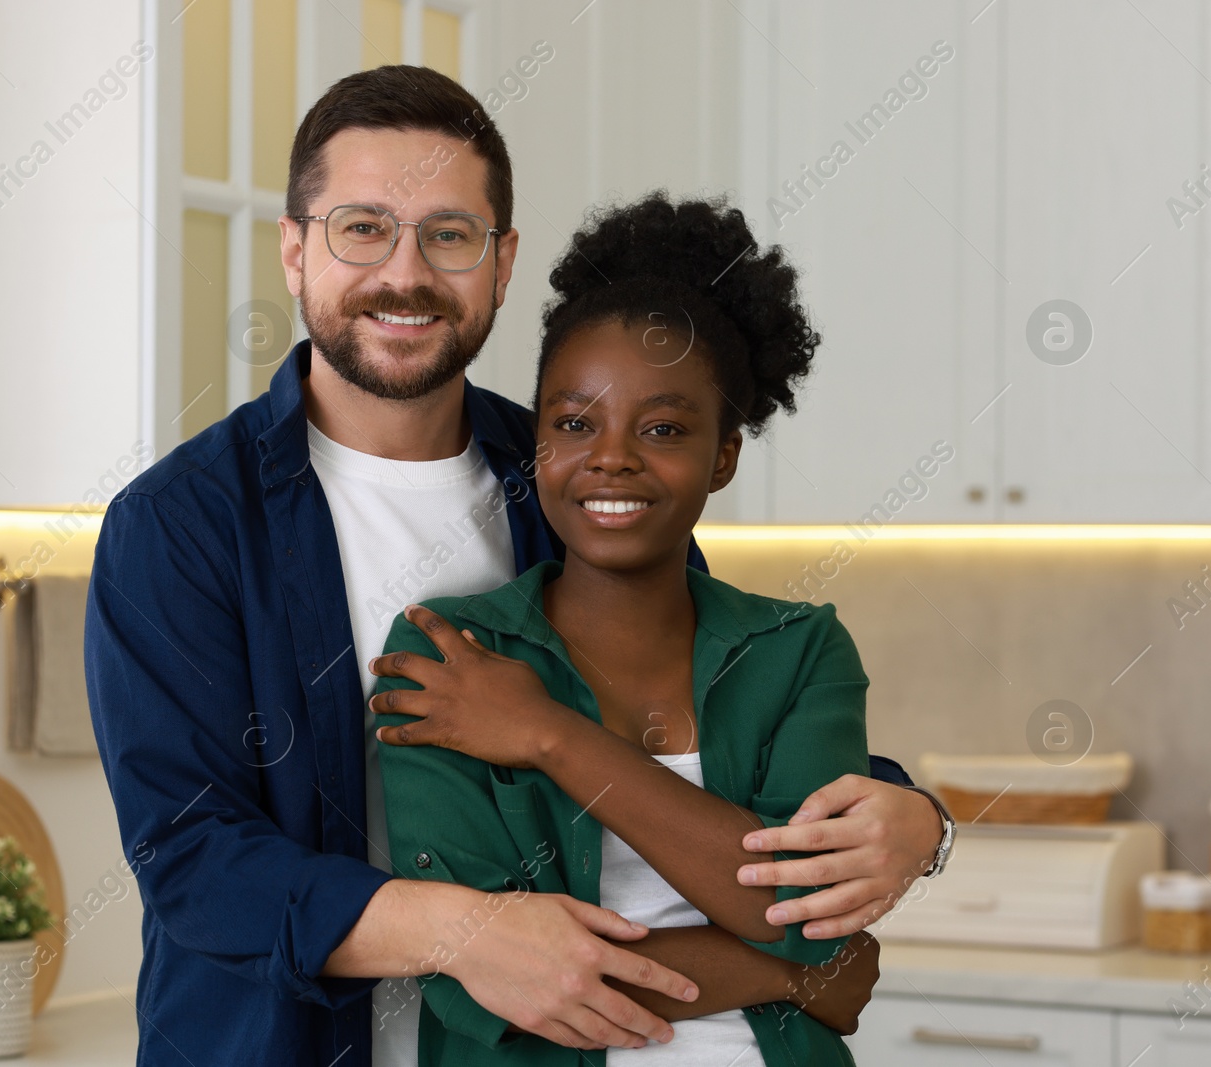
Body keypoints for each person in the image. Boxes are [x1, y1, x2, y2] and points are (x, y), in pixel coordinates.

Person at [84, 65, 952, 1067]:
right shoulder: (181, 524)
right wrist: (470, 934)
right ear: (294, 250)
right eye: (361, 227)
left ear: (500, 263)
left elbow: (720, 723)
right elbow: (195, 862)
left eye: (446, 234)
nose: (403, 273)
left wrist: (911, 811)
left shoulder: (573, 477)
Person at [370, 194, 876, 1067]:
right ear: (538, 443)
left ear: (723, 454)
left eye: (665, 427)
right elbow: (489, 977)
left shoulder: (800, 650)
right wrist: (790, 973)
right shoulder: (449, 658)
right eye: (574, 423)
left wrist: (547, 733)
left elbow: (796, 906)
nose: (612, 456)